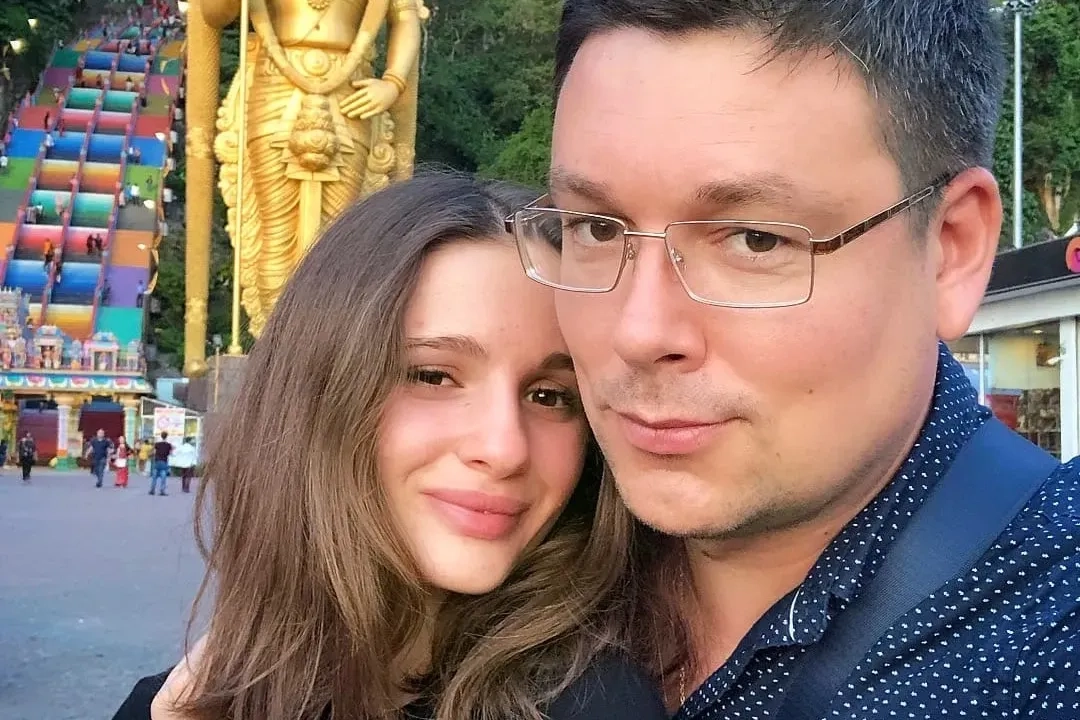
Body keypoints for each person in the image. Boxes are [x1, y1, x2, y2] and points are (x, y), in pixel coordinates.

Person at [511, 1, 1077, 716]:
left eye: (755, 239)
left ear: (951, 249)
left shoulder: (1049, 639)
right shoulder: (504, 541)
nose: (638, 332)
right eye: (595, 228)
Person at [112, 174, 666, 720]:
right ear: (317, 392)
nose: (504, 449)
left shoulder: (596, 704)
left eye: (549, 396)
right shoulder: (178, 705)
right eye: (433, 376)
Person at [150, 431, 171, 496]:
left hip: (157, 461)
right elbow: (170, 453)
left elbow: (153, 452)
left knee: (154, 477)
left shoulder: (157, 444)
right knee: (163, 477)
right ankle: (162, 491)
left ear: (161, 436)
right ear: (166, 437)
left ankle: (152, 490)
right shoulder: (168, 445)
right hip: (164, 462)